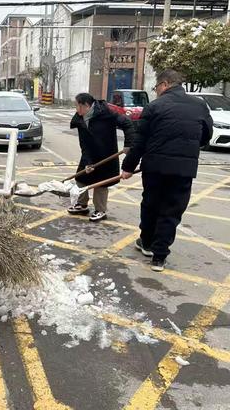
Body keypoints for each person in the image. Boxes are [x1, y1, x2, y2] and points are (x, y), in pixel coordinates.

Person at [121, 69, 213, 272]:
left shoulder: (155, 106)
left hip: (155, 167)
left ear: (164, 84)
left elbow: (140, 142)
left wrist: (127, 167)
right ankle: (159, 257)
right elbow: (206, 135)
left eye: (156, 87)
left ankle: (146, 243)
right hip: (184, 169)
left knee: (151, 205)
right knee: (172, 210)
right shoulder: (199, 105)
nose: (156, 91)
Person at [68, 92, 135, 221]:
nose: (76, 109)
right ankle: (82, 205)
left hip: (106, 154)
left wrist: (128, 145)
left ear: (86, 105)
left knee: (100, 184)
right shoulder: (80, 119)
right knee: (81, 178)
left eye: (77, 106)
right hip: (89, 154)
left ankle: (100, 210)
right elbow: (84, 143)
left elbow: (127, 123)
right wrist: (87, 161)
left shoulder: (106, 113)